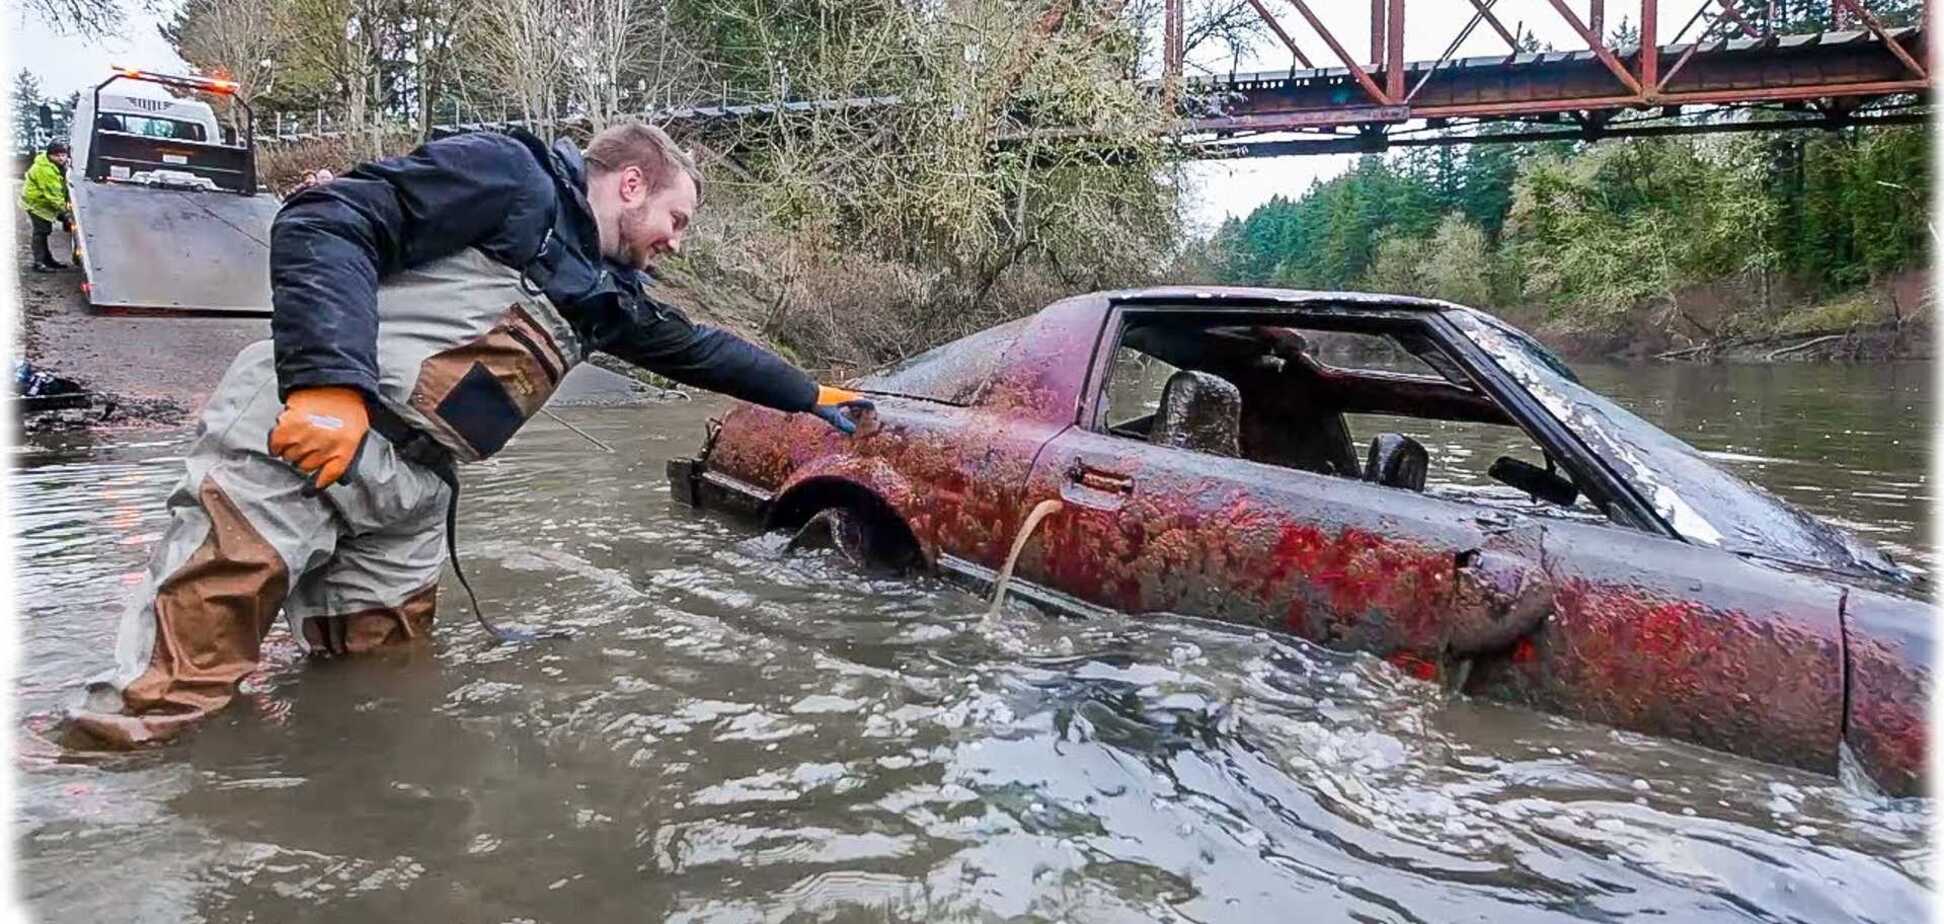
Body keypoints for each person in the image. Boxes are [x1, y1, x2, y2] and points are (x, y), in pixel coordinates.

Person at [65, 122, 874, 746]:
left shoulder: (608, 297)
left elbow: (699, 350)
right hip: (302, 438)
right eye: (677, 218)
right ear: (632, 183)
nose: (677, 240)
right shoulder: (510, 176)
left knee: (381, 683)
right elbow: (325, 219)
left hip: (411, 492)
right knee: (173, 686)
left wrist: (807, 394)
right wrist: (327, 387)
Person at [21, 140, 72, 273]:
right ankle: (39, 262)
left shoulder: (58, 165)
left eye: (63, 155)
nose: (61, 158)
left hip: (43, 202)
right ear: (49, 155)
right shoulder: (45, 170)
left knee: (44, 231)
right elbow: (53, 195)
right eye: (57, 155)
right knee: (41, 232)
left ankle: (47, 260)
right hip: (37, 203)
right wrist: (65, 213)